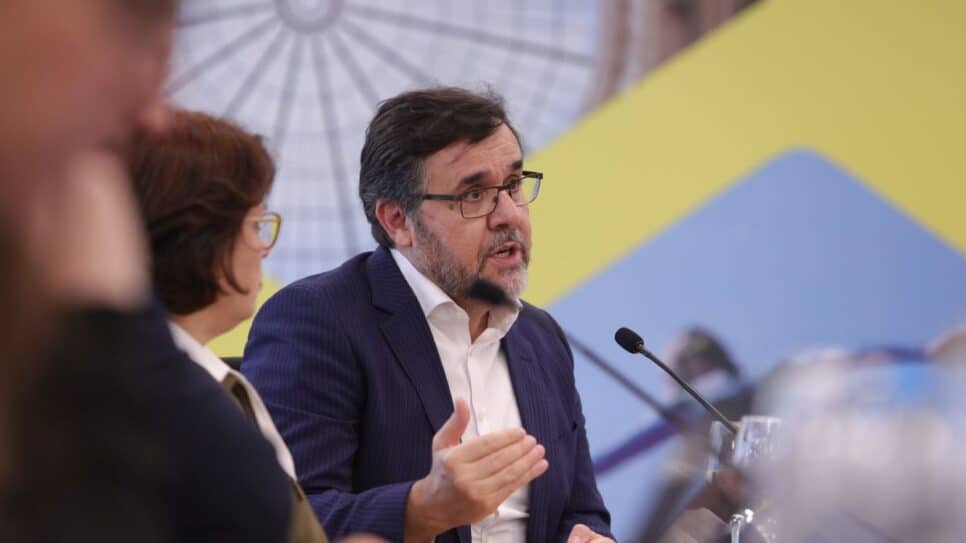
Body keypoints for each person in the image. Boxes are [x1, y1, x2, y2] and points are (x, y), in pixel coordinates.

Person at [243, 87, 613, 543]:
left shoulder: (540, 337)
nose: (508, 215)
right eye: (474, 194)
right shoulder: (319, 320)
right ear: (398, 220)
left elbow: (581, 511)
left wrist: (590, 537)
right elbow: (283, 518)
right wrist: (421, 509)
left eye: (514, 185)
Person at [127, 108, 328, 543]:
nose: (264, 247)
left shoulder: (216, 384)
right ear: (202, 235)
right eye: (256, 224)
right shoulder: (152, 406)